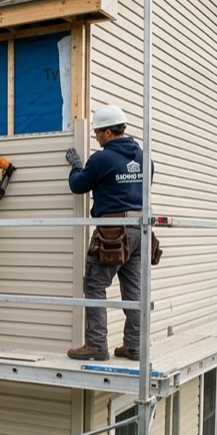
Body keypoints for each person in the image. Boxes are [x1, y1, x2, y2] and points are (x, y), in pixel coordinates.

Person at [64, 104, 149, 361]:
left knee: (94, 283)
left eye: (98, 132)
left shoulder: (101, 159)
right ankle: (134, 345)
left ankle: (96, 345)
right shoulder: (144, 157)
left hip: (112, 231)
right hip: (140, 230)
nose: (96, 137)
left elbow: (78, 185)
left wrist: (77, 165)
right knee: (133, 290)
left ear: (109, 133)